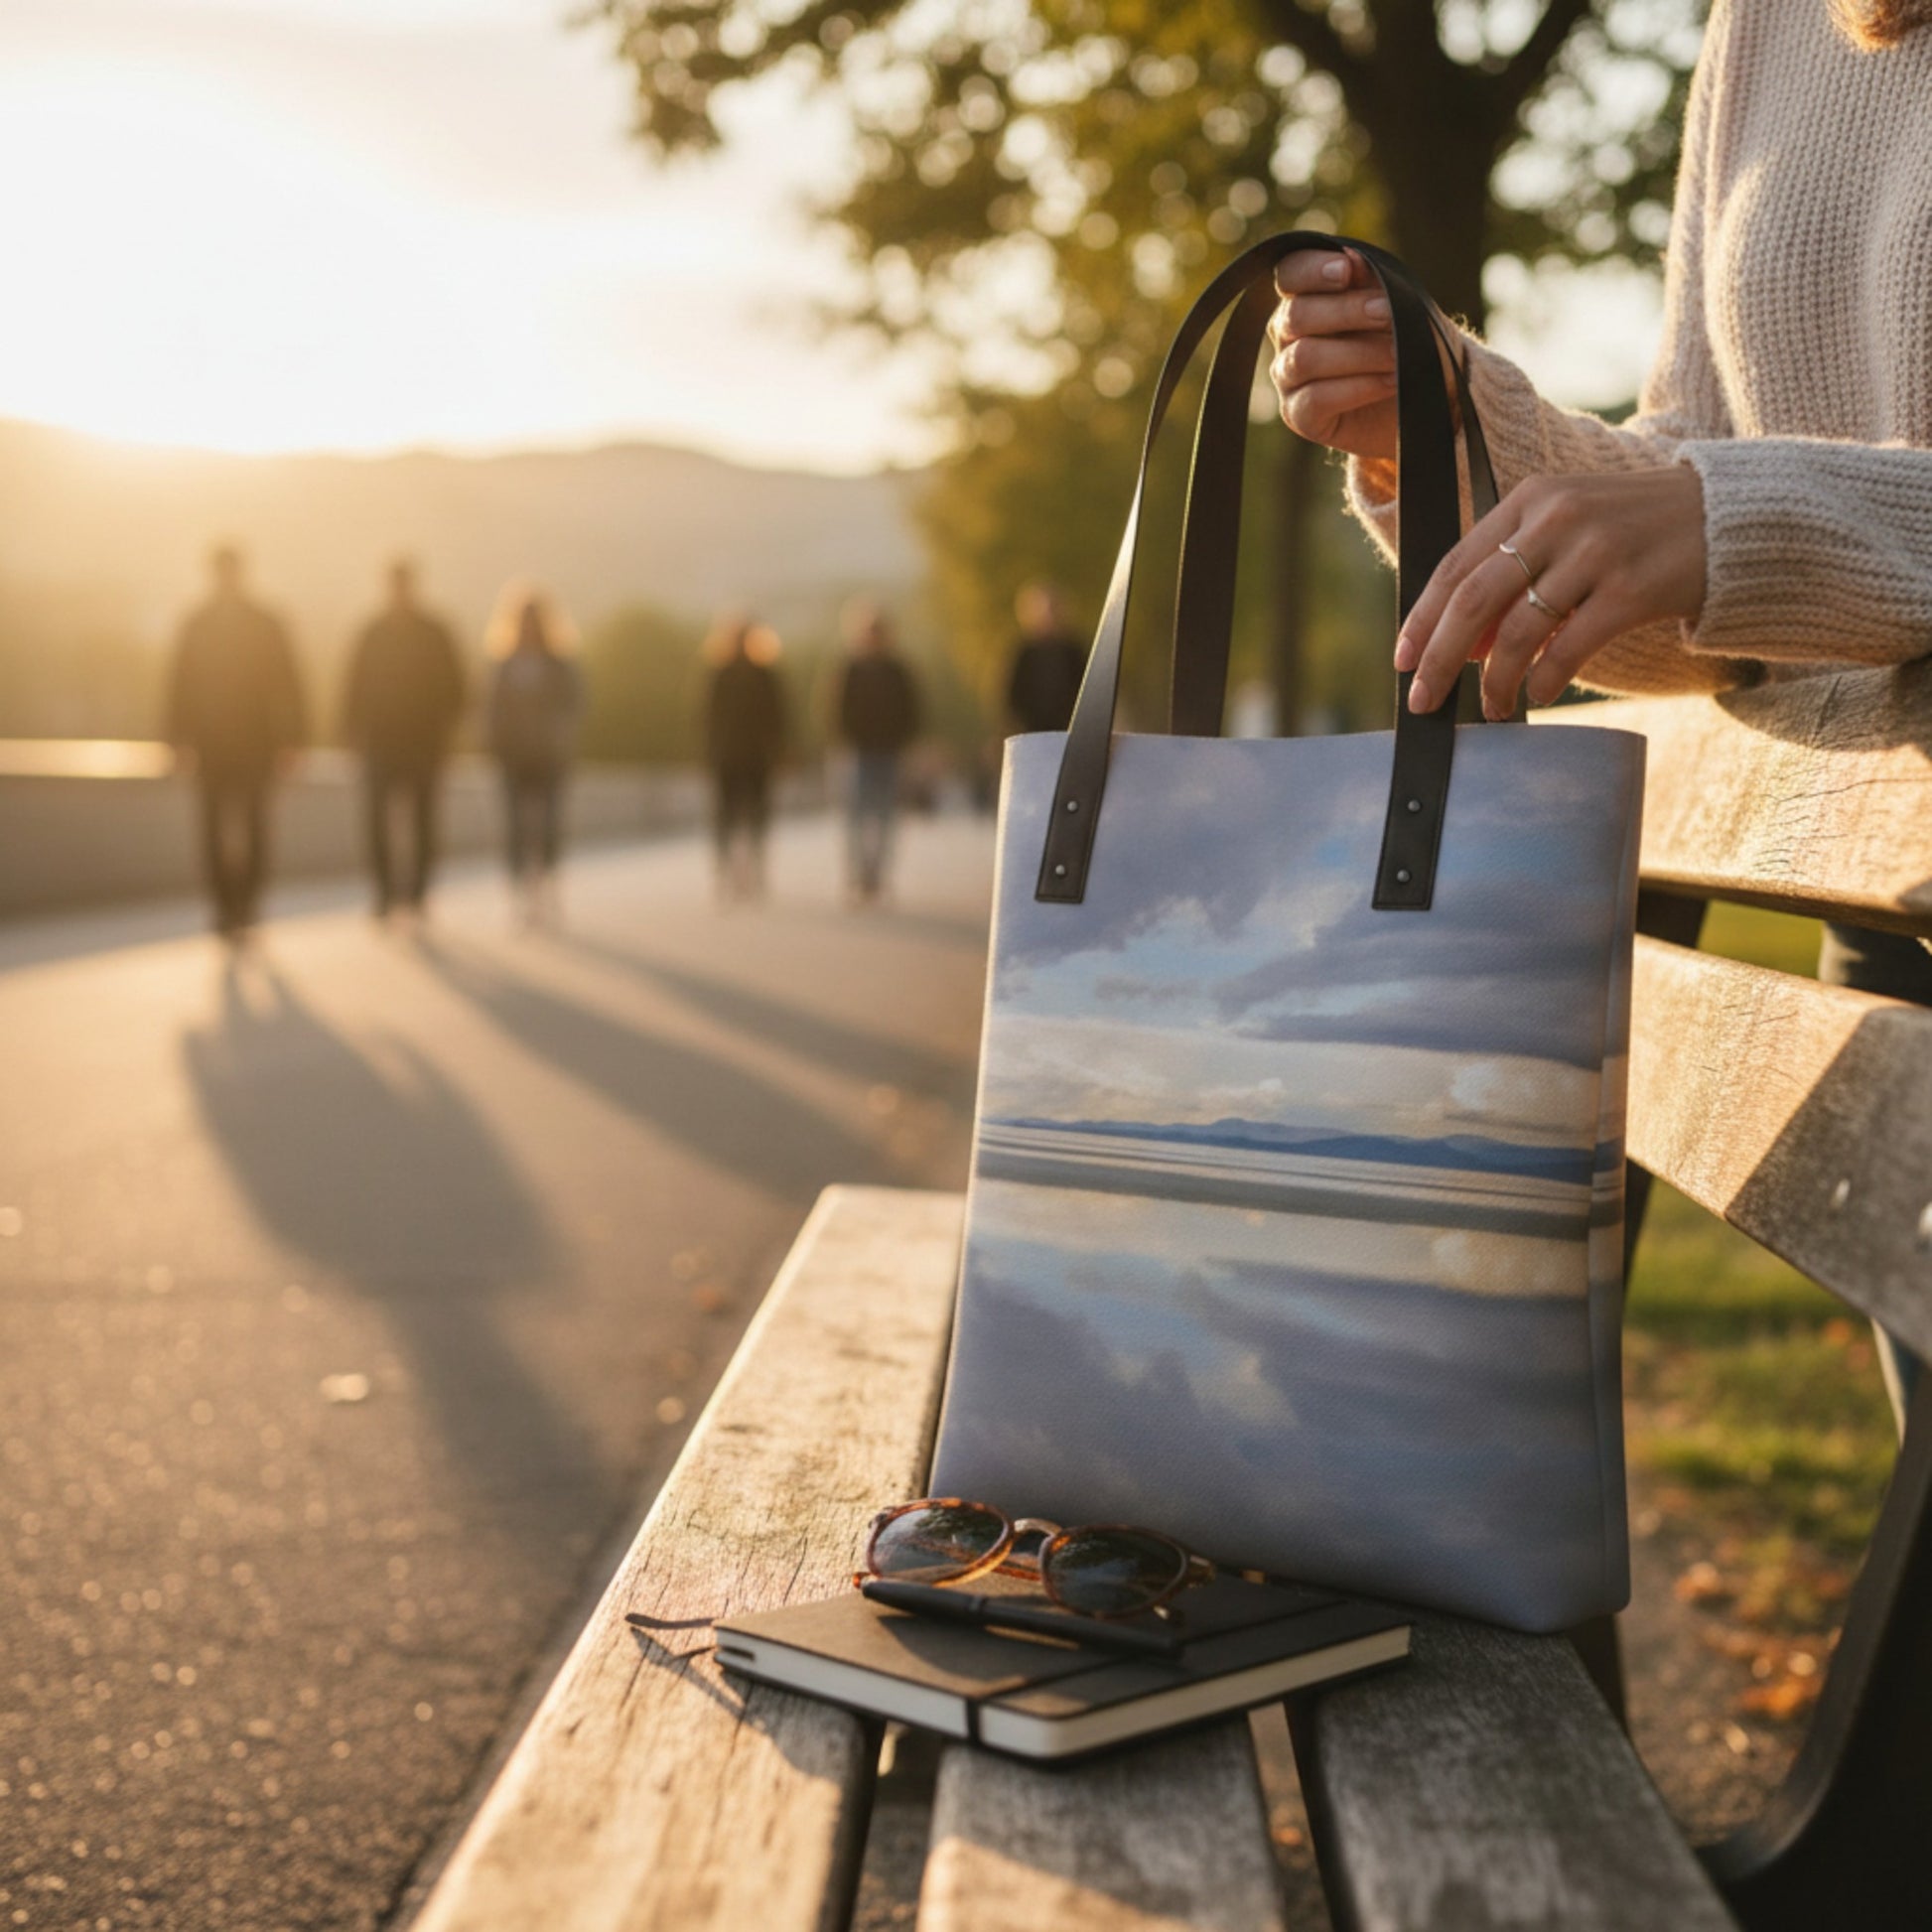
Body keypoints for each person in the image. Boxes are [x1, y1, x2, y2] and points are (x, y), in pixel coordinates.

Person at [1268, 0, 1932, 1414]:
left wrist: (1730, 519)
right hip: (1895, 930)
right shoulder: (1764, 26)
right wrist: (1457, 422)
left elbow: (1729, 513)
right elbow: (1704, 502)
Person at [165, 544, 308, 940]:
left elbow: (289, 681)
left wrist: (293, 739)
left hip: (256, 742)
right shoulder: (197, 622)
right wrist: (176, 739)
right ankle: (223, 906)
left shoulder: (266, 622)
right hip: (210, 743)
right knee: (210, 827)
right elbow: (179, 682)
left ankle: (249, 903)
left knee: (256, 824)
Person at [342, 558, 467, 920]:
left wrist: (448, 733)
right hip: (380, 742)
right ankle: (384, 891)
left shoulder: (435, 632)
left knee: (424, 819)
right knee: (377, 820)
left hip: (425, 743)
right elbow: (353, 686)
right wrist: (351, 734)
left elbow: (457, 688)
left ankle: (418, 892)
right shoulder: (372, 632)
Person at [485, 587, 584, 928]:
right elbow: (491, 709)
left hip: (550, 756)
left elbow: (574, 705)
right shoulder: (504, 664)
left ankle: (548, 888)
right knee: (515, 827)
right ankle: (519, 894)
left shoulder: (559, 664)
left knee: (549, 826)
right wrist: (496, 745)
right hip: (513, 756)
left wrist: (560, 738)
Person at [831, 602, 921, 903]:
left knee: (885, 816)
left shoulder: (898, 670)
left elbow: (912, 710)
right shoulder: (849, 669)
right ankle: (858, 875)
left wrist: (906, 742)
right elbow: (835, 710)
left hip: (890, 751)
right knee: (856, 817)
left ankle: (879, 875)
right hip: (858, 751)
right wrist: (845, 739)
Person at [702, 614, 786, 901]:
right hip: (727, 756)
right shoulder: (719, 673)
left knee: (756, 816)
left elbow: (777, 718)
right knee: (726, 818)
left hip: (756, 757)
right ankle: (727, 872)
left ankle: (756, 870)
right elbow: (706, 718)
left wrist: (780, 751)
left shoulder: (765, 674)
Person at [1005, 584, 1087, 735]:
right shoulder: (1025, 653)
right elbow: (1012, 696)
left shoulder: (1073, 651)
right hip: (1033, 732)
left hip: (1070, 730)